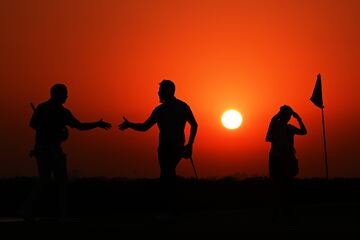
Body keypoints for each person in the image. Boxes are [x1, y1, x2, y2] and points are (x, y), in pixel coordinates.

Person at [21, 83, 111, 220]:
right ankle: (49, 213)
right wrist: (51, 130)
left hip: (48, 149)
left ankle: (38, 211)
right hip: (47, 150)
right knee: (58, 182)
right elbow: (34, 125)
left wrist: (96, 124)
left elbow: (78, 126)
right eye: (65, 94)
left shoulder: (53, 110)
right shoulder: (53, 110)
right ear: (58, 95)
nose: (66, 97)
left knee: (51, 181)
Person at [118, 80, 198, 214]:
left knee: (167, 173)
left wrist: (190, 145)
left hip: (174, 147)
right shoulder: (163, 110)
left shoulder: (180, 107)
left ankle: (168, 208)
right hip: (165, 148)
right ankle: (170, 207)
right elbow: (145, 127)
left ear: (170, 91)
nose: (158, 93)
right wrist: (130, 125)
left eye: (161, 90)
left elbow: (194, 125)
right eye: (159, 90)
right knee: (167, 174)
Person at [265, 105, 307, 222]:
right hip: (277, 159)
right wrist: (287, 114)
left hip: (287, 158)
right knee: (278, 186)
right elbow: (273, 121)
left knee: (287, 186)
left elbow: (304, 132)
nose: (288, 117)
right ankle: (278, 214)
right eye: (287, 115)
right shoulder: (277, 126)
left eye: (289, 115)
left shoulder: (288, 128)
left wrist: (299, 119)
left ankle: (285, 213)